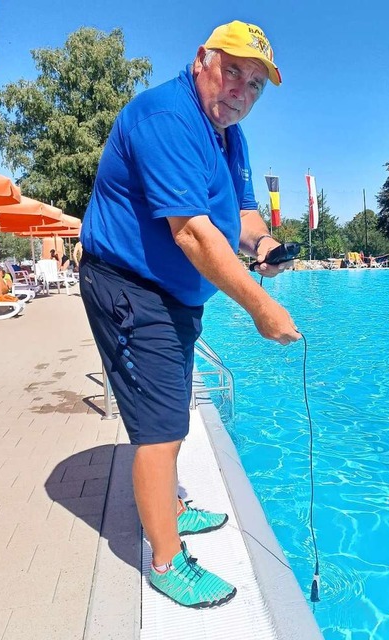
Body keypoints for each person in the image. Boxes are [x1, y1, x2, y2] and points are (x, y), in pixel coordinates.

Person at [79, 20, 298, 609]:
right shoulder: (167, 118)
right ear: (202, 59)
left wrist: (264, 247)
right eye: (234, 73)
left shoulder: (229, 135)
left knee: (172, 403)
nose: (242, 92)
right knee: (160, 427)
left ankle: (171, 506)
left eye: (255, 85)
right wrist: (261, 306)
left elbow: (242, 216)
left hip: (173, 297)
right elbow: (195, 237)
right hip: (129, 287)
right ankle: (166, 560)